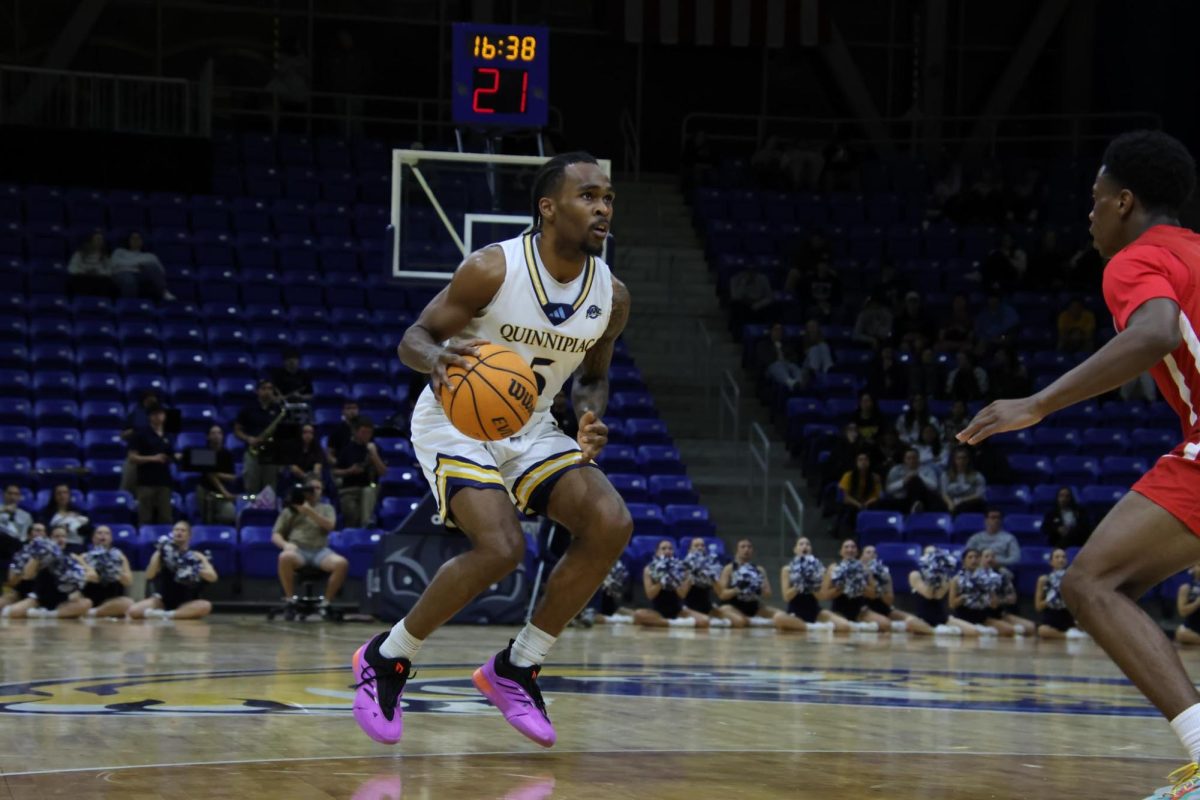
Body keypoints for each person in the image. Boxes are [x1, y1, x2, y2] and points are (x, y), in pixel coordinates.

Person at [349, 153, 633, 750]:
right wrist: (437, 361)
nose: (602, 207)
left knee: (611, 523)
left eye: (607, 197)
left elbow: (593, 376)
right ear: (548, 207)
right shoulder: (492, 267)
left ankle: (517, 668)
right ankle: (388, 657)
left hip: (530, 423)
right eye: (588, 196)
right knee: (502, 548)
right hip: (456, 417)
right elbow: (414, 338)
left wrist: (589, 415)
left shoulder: (612, 296)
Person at [955, 131, 1200, 798]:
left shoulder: (1136, 260)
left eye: (1095, 202)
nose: (1088, 216)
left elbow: (1153, 331)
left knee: (1091, 583)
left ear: (1125, 202)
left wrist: (1036, 404)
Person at [272, 474, 344, 613]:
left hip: (320, 550)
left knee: (341, 563)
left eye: (319, 488)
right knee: (284, 557)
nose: (316, 491)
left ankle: (326, 603)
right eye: (313, 488)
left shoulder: (327, 508)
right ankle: (290, 600)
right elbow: (276, 534)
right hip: (298, 549)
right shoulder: (291, 509)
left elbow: (330, 526)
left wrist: (309, 511)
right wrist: (285, 545)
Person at [127, 521, 217, 620]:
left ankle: (167, 615)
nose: (179, 532)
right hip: (163, 600)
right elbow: (149, 575)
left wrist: (193, 568)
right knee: (133, 611)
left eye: (183, 530)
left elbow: (213, 577)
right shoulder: (162, 553)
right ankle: (173, 614)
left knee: (205, 606)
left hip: (188, 602)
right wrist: (159, 553)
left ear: (189, 535)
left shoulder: (197, 555)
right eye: (176, 530)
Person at [1, 525, 95, 618]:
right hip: (39, 596)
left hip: (61, 598)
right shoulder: (36, 554)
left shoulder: (72, 557)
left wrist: (81, 568)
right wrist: (37, 557)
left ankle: (48, 614)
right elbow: (27, 576)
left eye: (63, 537)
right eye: (56, 537)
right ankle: (41, 613)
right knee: (9, 612)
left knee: (86, 603)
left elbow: (93, 576)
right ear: (49, 539)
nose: (60, 539)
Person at [773, 536, 851, 633]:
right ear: (795, 550)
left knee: (844, 626)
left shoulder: (819, 569)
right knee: (778, 618)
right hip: (795, 612)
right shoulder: (787, 569)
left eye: (808, 544)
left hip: (814, 610)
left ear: (811, 550)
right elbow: (786, 597)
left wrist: (811, 582)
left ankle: (807, 626)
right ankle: (812, 628)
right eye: (801, 544)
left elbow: (821, 596)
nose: (805, 546)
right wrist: (800, 583)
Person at [632, 540, 709, 629]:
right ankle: (672, 623)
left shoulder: (681, 568)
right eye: (663, 549)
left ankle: (667, 623)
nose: (667, 551)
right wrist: (662, 579)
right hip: (657, 611)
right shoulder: (648, 569)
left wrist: (673, 577)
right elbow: (650, 595)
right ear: (657, 552)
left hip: (678, 611)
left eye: (670, 548)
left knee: (705, 621)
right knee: (638, 615)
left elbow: (682, 594)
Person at [861, 545, 933, 634]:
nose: (872, 554)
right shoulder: (857, 572)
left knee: (913, 620)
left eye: (874, 552)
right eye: (868, 552)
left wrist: (882, 583)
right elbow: (869, 594)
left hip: (883, 607)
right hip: (865, 608)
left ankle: (932, 633)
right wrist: (870, 577)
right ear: (861, 556)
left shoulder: (884, 573)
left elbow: (889, 601)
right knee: (885, 623)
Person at [908, 546, 978, 636]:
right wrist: (931, 575)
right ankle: (935, 631)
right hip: (922, 619)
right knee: (910, 622)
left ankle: (937, 631)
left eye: (934, 555)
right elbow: (928, 595)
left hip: (942, 618)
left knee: (973, 632)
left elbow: (938, 596)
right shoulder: (915, 575)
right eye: (929, 555)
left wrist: (937, 574)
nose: (932, 559)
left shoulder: (945, 577)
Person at [819, 539, 887, 631]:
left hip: (861, 611)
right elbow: (824, 595)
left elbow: (874, 594)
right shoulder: (833, 568)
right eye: (846, 547)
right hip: (839, 610)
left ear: (857, 552)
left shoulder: (864, 568)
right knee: (844, 628)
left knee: (885, 624)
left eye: (853, 547)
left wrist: (859, 585)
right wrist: (843, 586)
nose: (850, 549)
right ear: (840, 552)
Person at [335, 417, 388, 528]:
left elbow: (383, 472)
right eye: (363, 432)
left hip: (370, 487)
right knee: (351, 509)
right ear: (355, 432)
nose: (366, 435)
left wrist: (374, 456)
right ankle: (353, 530)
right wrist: (349, 471)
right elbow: (335, 471)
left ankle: (365, 526)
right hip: (349, 489)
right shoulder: (347, 449)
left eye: (369, 433)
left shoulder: (375, 448)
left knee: (368, 491)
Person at [235, 380, 285, 496]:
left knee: (269, 491)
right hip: (253, 452)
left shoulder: (278, 410)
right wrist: (249, 439)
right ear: (257, 391)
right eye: (264, 388)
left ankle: (267, 513)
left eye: (270, 389)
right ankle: (251, 512)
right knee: (251, 488)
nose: (267, 391)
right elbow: (237, 430)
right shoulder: (248, 408)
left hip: (271, 454)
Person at [128, 404, 176, 525]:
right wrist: (153, 458)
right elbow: (132, 457)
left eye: (161, 414)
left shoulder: (169, 435)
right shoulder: (140, 434)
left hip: (164, 481)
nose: (158, 417)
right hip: (146, 481)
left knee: (166, 517)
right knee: (145, 517)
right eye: (155, 414)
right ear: (150, 416)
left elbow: (170, 455)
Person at [715, 538, 781, 626]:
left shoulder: (759, 570)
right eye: (743, 547)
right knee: (741, 621)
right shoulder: (729, 569)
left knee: (781, 615)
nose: (746, 549)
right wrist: (738, 588)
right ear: (736, 550)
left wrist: (757, 588)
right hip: (732, 604)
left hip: (753, 605)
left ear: (752, 551)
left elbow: (768, 594)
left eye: (749, 547)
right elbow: (722, 595)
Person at [947, 548, 1012, 636]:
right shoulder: (956, 579)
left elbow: (994, 605)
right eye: (970, 557)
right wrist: (967, 596)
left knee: (1009, 630)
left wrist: (990, 592)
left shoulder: (987, 578)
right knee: (975, 633)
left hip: (982, 616)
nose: (973, 560)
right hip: (962, 616)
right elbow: (952, 604)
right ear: (964, 561)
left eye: (976, 557)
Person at [680, 537, 740, 627]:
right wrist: (692, 573)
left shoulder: (709, 565)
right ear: (689, 550)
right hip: (688, 607)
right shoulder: (684, 566)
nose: (700, 548)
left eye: (702, 545)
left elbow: (720, 593)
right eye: (696, 545)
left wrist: (711, 575)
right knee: (705, 622)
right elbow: (682, 594)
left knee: (738, 621)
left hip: (707, 607)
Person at [81, 525, 134, 618]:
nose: (103, 535)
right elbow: (82, 579)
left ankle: (94, 613)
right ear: (93, 538)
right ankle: (96, 611)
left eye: (107, 533)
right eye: (99, 533)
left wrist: (115, 573)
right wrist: (94, 574)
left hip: (113, 600)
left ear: (111, 539)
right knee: (80, 601)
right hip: (90, 599)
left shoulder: (120, 556)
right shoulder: (84, 557)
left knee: (129, 603)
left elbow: (128, 581)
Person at [980, 547, 1035, 635]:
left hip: (999, 613)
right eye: (986, 556)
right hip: (982, 614)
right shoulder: (976, 576)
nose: (990, 559)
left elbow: (1012, 598)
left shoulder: (1003, 574)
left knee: (1031, 627)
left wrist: (999, 601)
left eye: (993, 557)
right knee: (1010, 630)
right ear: (980, 559)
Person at [1037, 548, 1085, 640]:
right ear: (1051, 562)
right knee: (1042, 630)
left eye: (1063, 557)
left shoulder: (1071, 579)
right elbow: (1038, 606)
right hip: (1051, 618)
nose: (1061, 559)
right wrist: (1050, 599)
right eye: (1057, 557)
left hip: (1067, 615)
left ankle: (1073, 632)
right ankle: (1067, 636)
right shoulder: (1043, 579)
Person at [195, 424, 237, 526]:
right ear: (208, 436)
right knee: (208, 518)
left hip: (223, 492)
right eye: (213, 433)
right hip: (206, 489)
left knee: (230, 515)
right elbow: (210, 475)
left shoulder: (227, 454)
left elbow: (233, 477)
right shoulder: (203, 452)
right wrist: (225, 492)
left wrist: (218, 474)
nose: (216, 435)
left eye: (219, 433)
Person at [110, 231, 171, 300]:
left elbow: (160, 271)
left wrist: (143, 266)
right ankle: (130, 305)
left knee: (151, 266)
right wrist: (137, 264)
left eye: (138, 238)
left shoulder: (150, 256)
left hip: (142, 275)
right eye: (133, 238)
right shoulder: (119, 251)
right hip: (123, 273)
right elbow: (114, 264)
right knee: (129, 280)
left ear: (142, 241)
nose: (136, 240)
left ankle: (163, 292)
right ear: (128, 240)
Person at [120, 390, 161, 493]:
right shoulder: (135, 414)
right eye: (148, 399)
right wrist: (135, 431)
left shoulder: (164, 415)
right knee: (127, 488)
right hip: (136, 456)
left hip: (156, 458)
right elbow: (123, 435)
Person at [836, 452, 882, 535]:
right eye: (860, 460)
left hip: (867, 501)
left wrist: (866, 503)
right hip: (852, 501)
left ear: (869, 462)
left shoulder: (875, 477)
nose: (863, 462)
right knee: (851, 509)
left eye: (865, 460)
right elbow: (846, 497)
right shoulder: (848, 476)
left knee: (877, 505)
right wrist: (859, 505)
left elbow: (877, 495)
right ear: (856, 463)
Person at [883, 447, 941, 514]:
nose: (912, 461)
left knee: (915, 480)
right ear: (904, 460)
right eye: (908, 458)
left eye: (914, 458)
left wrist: (918, 476)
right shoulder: (896, 470)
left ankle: (916, 505)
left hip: (923, 500)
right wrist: (903, 481)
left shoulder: (927, 470)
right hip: (901, 500)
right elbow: (888, 489)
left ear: (918, 459)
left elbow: (934, 486)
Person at [1, 522, 45, 609]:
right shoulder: (19, 551)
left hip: (40, 593)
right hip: (20, 590)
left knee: (13, 612)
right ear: (28, 535)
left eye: (43, 531)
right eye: (37, 530)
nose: (41, 533)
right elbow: (12, 581)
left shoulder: (51, 551)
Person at [38, 484, 91, 551]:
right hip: (54, 546)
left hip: (76, 546)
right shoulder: (46, 513)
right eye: (59, 493)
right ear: (54, 496)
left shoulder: (79, 512)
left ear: (69, 495)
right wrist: (62, 527)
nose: (62, 496)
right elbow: (43, 530)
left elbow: (87, 531)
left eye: (65, 492)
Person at [67, 229, 115, 297]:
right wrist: (85, 271)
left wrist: (98, 272)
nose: (100, 241)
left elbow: (110, 271)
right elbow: (71, 268)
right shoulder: (79, 254)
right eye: (97, 239)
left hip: (99, 279)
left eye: (101, 239)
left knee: (107, 282)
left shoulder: (104, 256)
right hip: (82, 278)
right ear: (91, 240)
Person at [940, 446, 987, 515]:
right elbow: (944, 493)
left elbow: (979, 494)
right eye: (959, 458)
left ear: (968, 460)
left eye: (964, 458)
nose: (962, 461)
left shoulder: (977, 476)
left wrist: (961, 501)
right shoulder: (945, 475)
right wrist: (950, 504)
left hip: (970, 504)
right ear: (954, 460)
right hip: (952, 504)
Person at [0, 484, 32, 564]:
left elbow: (24, 537)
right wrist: (3, 510)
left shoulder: (26, 516)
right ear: (4, 495)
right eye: (10, 493)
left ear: (19, 497)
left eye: (16, 494)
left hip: (15, 548)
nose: (12, 497)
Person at [325, 398, 360, 465]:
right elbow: (329, 455)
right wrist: (339, 464)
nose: (352, 411)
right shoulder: (336, 431)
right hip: (343, 469)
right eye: (348, 408)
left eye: (354, 408)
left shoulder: (365, 429)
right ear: (343, 411)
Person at [1175, 564, 1200, 646]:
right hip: (1192, 629)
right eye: (1199, 566)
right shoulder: (1186, 588)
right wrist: (1197, 603)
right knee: (1181, 634)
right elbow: (1182, 612)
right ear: (1193, 568)